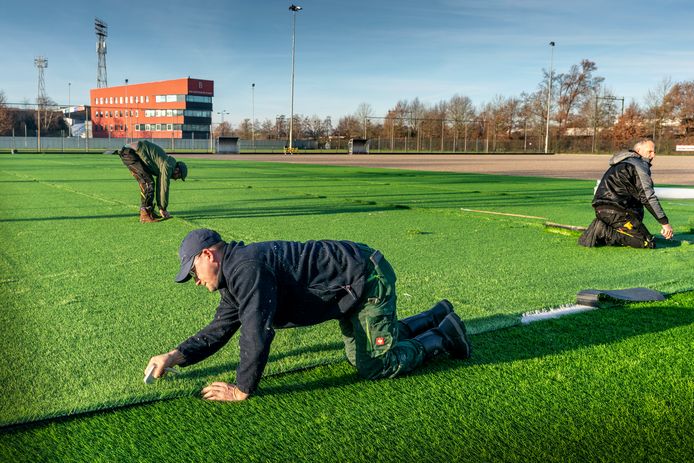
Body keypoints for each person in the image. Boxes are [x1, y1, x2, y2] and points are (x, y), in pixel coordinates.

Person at [146, 229, 472, 401]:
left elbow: (255, 333)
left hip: (366, 282)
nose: (196, 280)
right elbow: (221, 328)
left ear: (208, 255)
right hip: (350, 282)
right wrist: (175, 356)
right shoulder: (234, 276)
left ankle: (443, 336)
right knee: (358, 348)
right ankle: (435, 316)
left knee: (372, 364)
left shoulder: (246, 269)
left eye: (194, 271)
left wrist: (243, 387)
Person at [578, 139, 674, 248]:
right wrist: (665, 223)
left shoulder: (622, 163)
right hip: (618, 212)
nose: (653, 155)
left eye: (654, 152)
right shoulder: (639, 165)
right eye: (650, 151)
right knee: (647, 242)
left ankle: (603, 227)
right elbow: (648, 197)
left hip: (602, 210)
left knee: (640, 235)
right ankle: (604, 230)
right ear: (638, 151)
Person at [110, 140, 188, 223]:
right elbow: (163, 187)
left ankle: (149, 211)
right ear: (177, 170)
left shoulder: (166, 163)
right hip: (130, 153)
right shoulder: (168, 166)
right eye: (178, 176)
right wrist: (163, 208)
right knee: (148, 183)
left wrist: (161, 206)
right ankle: (145, 214)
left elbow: (159, 186)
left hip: (131, 152)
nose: (176, 179)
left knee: (149, 182)